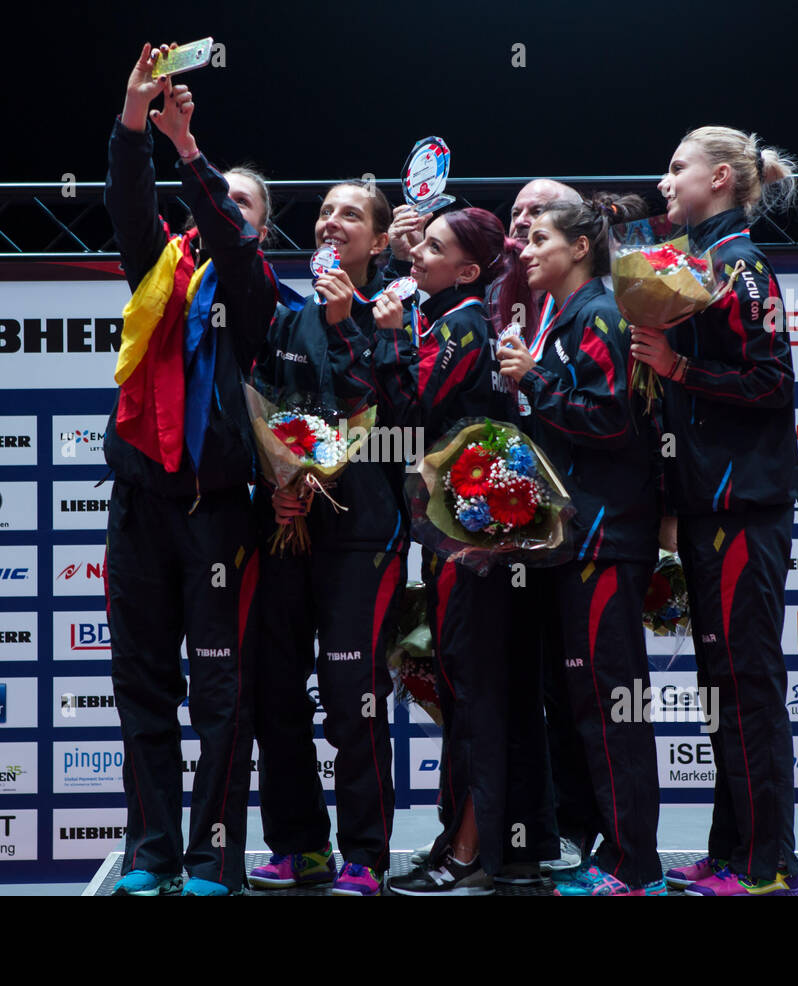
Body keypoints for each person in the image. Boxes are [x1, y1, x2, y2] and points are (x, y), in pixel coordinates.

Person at [102, 43, 278, 896]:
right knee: (142, 687)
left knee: (219, 695)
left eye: (241, 201)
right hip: (140, 506)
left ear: (259, 227)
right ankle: (151, 853)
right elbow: (128, 205)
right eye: (215, 195)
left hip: (217, 515)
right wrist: (137, 120)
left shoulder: (255, 288)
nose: (222, 207)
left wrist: (190, 150)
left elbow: (231, 243)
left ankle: (213, 858)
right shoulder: (159, 271)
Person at [214, 174, 406, 896]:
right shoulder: (289, 318)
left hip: (365, 532)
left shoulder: (393, 315)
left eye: (350, 214)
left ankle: (366, 855)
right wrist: (280, 481)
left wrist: (346, 324)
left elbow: (393, 417)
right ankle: (301, 846)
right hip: (292, 530)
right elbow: (266, 406)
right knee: (275, 690)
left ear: (379, 242)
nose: (331, 222)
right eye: (325, 211)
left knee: (353, 695)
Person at [361, 208, 558, 895]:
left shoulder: (464, 325)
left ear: (468, 270)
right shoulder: (460, 320)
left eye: (433, 247)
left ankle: (472, 852)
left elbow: (410, 418)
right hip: (466, 538)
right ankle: (481, 840)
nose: (417, 253)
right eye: (420, 243)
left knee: (474, 694)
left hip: (474, 546)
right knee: (472, 689)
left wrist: (390, 339)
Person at [631, 125, 798, 896]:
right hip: (706, 504)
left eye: (678, 168)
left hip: (746, 504)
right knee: (722, 684)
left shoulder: (743, 266)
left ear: (723, 179)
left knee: (747, 685)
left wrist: (678, 367)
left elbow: (773, 384)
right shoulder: (688, 266)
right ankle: (731, 851)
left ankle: (770, 866)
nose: (664, 182)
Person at [498, 194, 667, 896]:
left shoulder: (600, 313)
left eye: (540, 238)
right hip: (573, 542)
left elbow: (612, 420)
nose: (526, 248)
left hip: (606, 539)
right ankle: (602, 849)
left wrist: (531, 378)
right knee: (584, 705)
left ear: (579, 248)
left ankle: (636, 867)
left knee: (613, 706)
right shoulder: (559, 317)